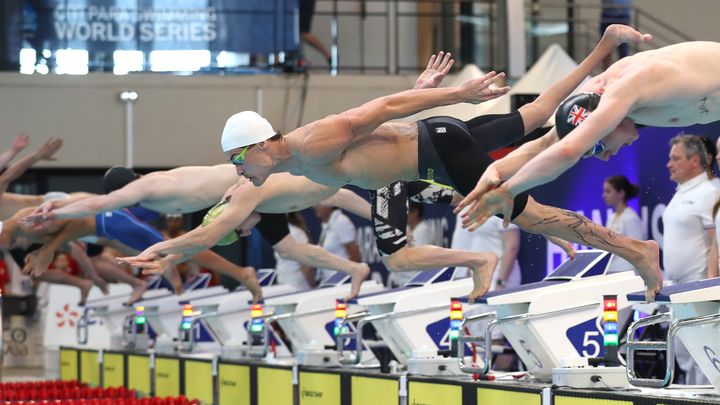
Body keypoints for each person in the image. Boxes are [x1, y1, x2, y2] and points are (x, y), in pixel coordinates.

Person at [219, 25, 661, 301]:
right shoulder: (295, 161)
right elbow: (380, 133)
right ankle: (605, 43)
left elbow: (385, 106)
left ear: (257, 146)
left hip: (438, 151)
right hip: (434, 148)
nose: (239, 171)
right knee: (538, 114)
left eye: (237, 161)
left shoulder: (310, 144)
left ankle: (639, 251)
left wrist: (457, 93)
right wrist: (425, 91)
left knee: (531, 216)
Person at [458, 40, 720, 238]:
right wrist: (493, 170)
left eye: (597, 147)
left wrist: (508, 191)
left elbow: (569, 150)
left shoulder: (628, 88)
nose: (606, 157)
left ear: (604, 123)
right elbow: (546, 145)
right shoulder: (587, 101)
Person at [663, 134, 718, 385]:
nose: (668, 164)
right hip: (679, 288)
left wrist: (709, 284)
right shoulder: (681, 193)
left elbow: (716, 242)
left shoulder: (709, 192)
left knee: (703, 357)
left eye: (675, 158)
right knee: (685, 356)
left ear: (695, 161)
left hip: (698, 287)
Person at [602, 175, 645, 274]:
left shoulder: (630, 218)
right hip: (611, 270)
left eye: (608, 191)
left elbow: (638, 250)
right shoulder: (611, 217)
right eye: (604, 191)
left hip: (627, 271)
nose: (604, 195)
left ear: (621, 193)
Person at [313, 205, 361, 284]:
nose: (315, 207)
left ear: (329, 204)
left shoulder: (341, 221)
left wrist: (339, 280)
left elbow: (356, 257)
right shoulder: (326, 226)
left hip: (343, 283)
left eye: (318, 204)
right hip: (330, 282)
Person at [274, 212, 316, 290]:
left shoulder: (297, 233)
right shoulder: (279, 232)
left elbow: (306, 265)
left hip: (298, 288)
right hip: (283, 286)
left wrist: (313, 287)